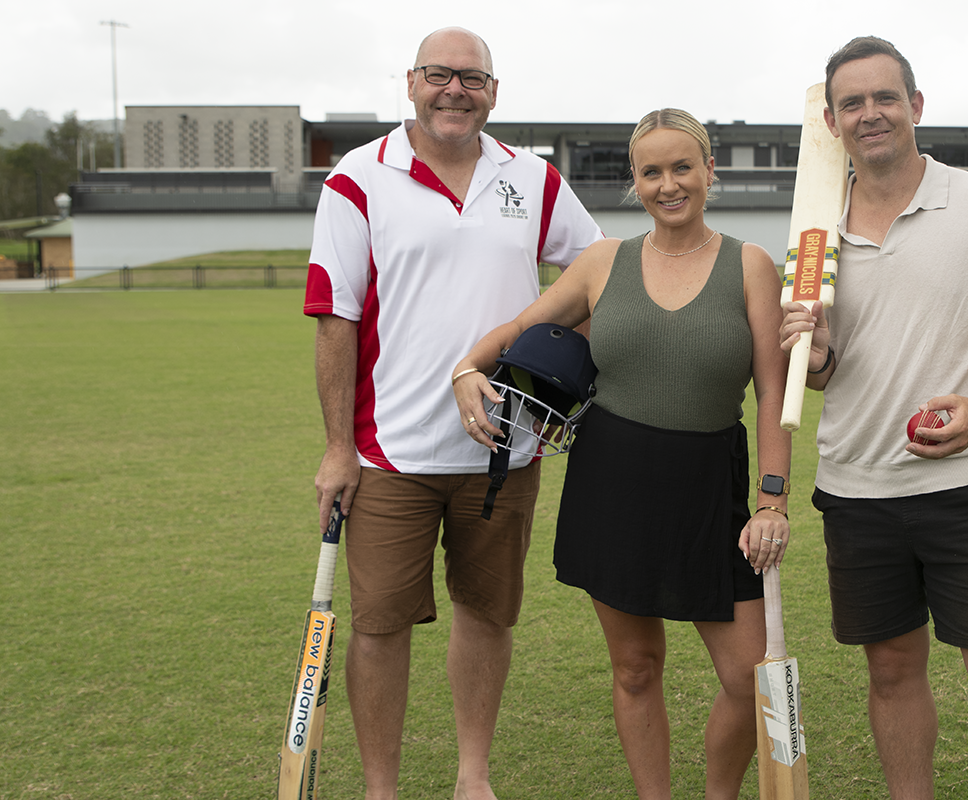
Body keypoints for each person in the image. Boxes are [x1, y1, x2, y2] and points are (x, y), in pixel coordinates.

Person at [450, 108, 794, 800]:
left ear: (709, 171)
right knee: (636, 667)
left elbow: (770, 394)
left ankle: (718, 794)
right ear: (635, 183)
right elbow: (523, 326)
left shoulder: (750, 265)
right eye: (652, 172)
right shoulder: (605, 261)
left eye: (682, 167)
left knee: (749, 677)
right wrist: (466, 369)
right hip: (614, 486)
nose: (669, 184)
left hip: (712, 491)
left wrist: (772, 500)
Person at [304, 27, 604, 800]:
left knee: (487, 615)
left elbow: (600, 271)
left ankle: (474, 776)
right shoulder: (356, 177)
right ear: (411, 82)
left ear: (493, 93)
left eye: (472, 79)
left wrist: (560, 350)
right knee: (378, 627)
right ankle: (382, 789)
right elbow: (334, 316)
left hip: (506, 450)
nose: (455, 91)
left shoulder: (532, 180)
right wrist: (339, 448)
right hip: (389, 453)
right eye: (439, 75)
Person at [778, 36, 968, 799]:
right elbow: (823, 370)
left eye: (884, 97)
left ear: (914, 106)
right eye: (851, 102)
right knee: (892, 674)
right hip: (858, 491)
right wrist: (813, 359)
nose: (869, 113)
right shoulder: (814, 233)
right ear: (833, 121)